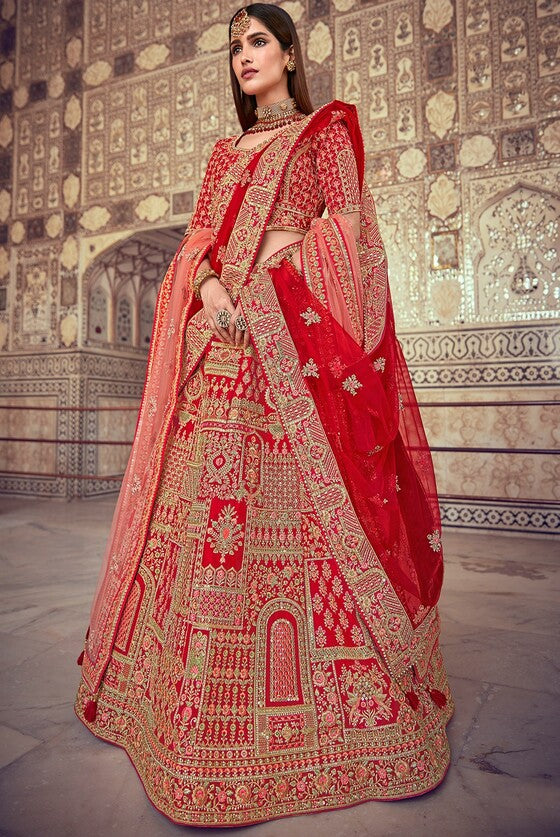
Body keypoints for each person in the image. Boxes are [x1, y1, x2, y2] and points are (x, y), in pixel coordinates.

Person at [76, 3, 453, 827]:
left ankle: (330, 709)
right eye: (234, 47)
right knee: (204, 531)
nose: (243, 57)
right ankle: (187, 713)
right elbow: (197, 243)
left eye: (256, 42)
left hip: (290, 359)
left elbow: (353, 243)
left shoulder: (322, 137)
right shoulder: (223, 154)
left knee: (290, 534)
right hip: (221, 346)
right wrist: (209, 288)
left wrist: (291, 261)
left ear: (288, 53)